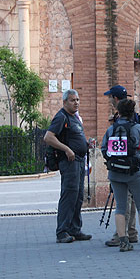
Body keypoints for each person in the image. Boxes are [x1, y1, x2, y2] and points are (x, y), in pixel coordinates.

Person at [101, 99, 140, 252]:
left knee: (120, 207)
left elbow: (104, 149)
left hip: (115, 172)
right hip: (134, 172)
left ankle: (123, 241)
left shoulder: (111, 129)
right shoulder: (137, 128)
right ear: (133, 112)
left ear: (119, 112)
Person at [44, 89, 92, 243]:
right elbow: (48, 137)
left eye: (77, 100)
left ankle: (74, 229)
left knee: (78, 197)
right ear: (65, 102)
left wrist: (86, 144)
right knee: (69, 196)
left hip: (79, 161)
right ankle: (62, 231)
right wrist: (67, 149)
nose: (76, 103)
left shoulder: (74, 118)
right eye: (72, 100)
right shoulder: (61, 117)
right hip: (69, 162)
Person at [102, 84, 140, 247]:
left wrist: (111, 161)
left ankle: (122, 236)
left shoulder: (115, 124)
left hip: (118, 169)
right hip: (134, 168)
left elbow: (105, 148)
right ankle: (134, 233)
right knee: (137, 202)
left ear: (115, 99)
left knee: (123, 204)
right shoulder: (137, 122)